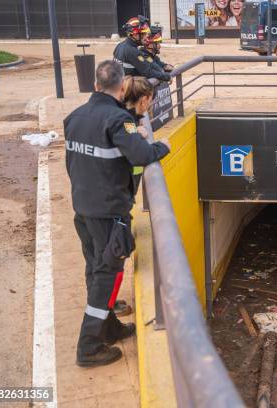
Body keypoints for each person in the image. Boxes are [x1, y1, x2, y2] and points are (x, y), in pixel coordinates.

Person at [64, 60, 170, 367]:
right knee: (106, 276)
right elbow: (141, 154)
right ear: (122, 86)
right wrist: (161, 146)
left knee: (95, 269)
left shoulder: (74, 117)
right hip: (109, 213)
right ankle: (88, 348)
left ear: (96, 85)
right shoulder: (118, 120)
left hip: (83, 209)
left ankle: (109, 328)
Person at [122, 75, 156, 197]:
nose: (149, 106)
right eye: (150, 101)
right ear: (144, 100)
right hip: (124, 183)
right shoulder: (127, 120)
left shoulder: (125, 114)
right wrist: (163, 146)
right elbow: (138, 152)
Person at [113, 16, 171, 82]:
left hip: (120, 86)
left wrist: (163, 66)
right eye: (143, 34)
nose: (146, 38)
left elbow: (150, 62)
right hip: (130, 89)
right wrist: (167, 77)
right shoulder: (133, 51)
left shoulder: (119, 46)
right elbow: (148, 72)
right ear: (135, 35)